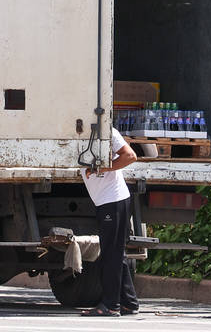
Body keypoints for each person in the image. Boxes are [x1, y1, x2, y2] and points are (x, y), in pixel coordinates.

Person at [80, 126, 140, 316]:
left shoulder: (106, 130)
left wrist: (102, 168)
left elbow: (130, 156)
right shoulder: (77, 129)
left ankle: (111, 305)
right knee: (116, 253)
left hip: (113, 200)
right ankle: (129, 302)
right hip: (107, 201)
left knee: (110, 254)